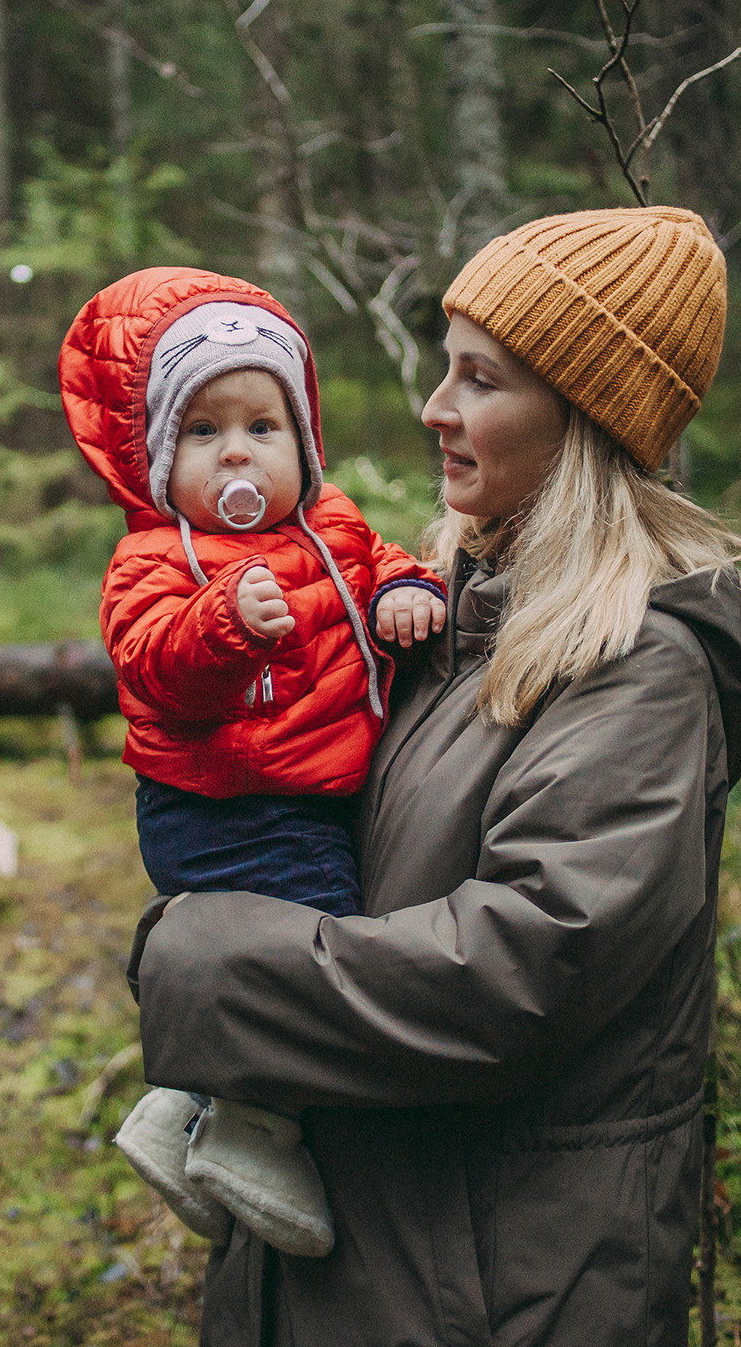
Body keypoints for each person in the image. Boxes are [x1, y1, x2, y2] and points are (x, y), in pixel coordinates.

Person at [127, 208, 741, 1345]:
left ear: (582, 419)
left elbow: (519, 971)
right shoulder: (451, 613)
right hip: (369, 1257)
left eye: (481, 378)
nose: (435, 407)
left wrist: (206, 961)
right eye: (444, 365)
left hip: (498, 1287)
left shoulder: (640, 671)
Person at [59, 268, 448, 1260]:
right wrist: (223, 622)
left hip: (307, 792)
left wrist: (405, 587)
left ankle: (178, 1111)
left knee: (272, 954)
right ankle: (256, 1135)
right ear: (159, 455)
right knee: (308, 957)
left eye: (262, 426)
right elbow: (152, 663)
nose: (238, 448)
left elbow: (381, 563)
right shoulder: (156, 557)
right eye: (203, 430)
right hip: (225, 805)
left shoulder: (335, 524)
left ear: (302, 440)